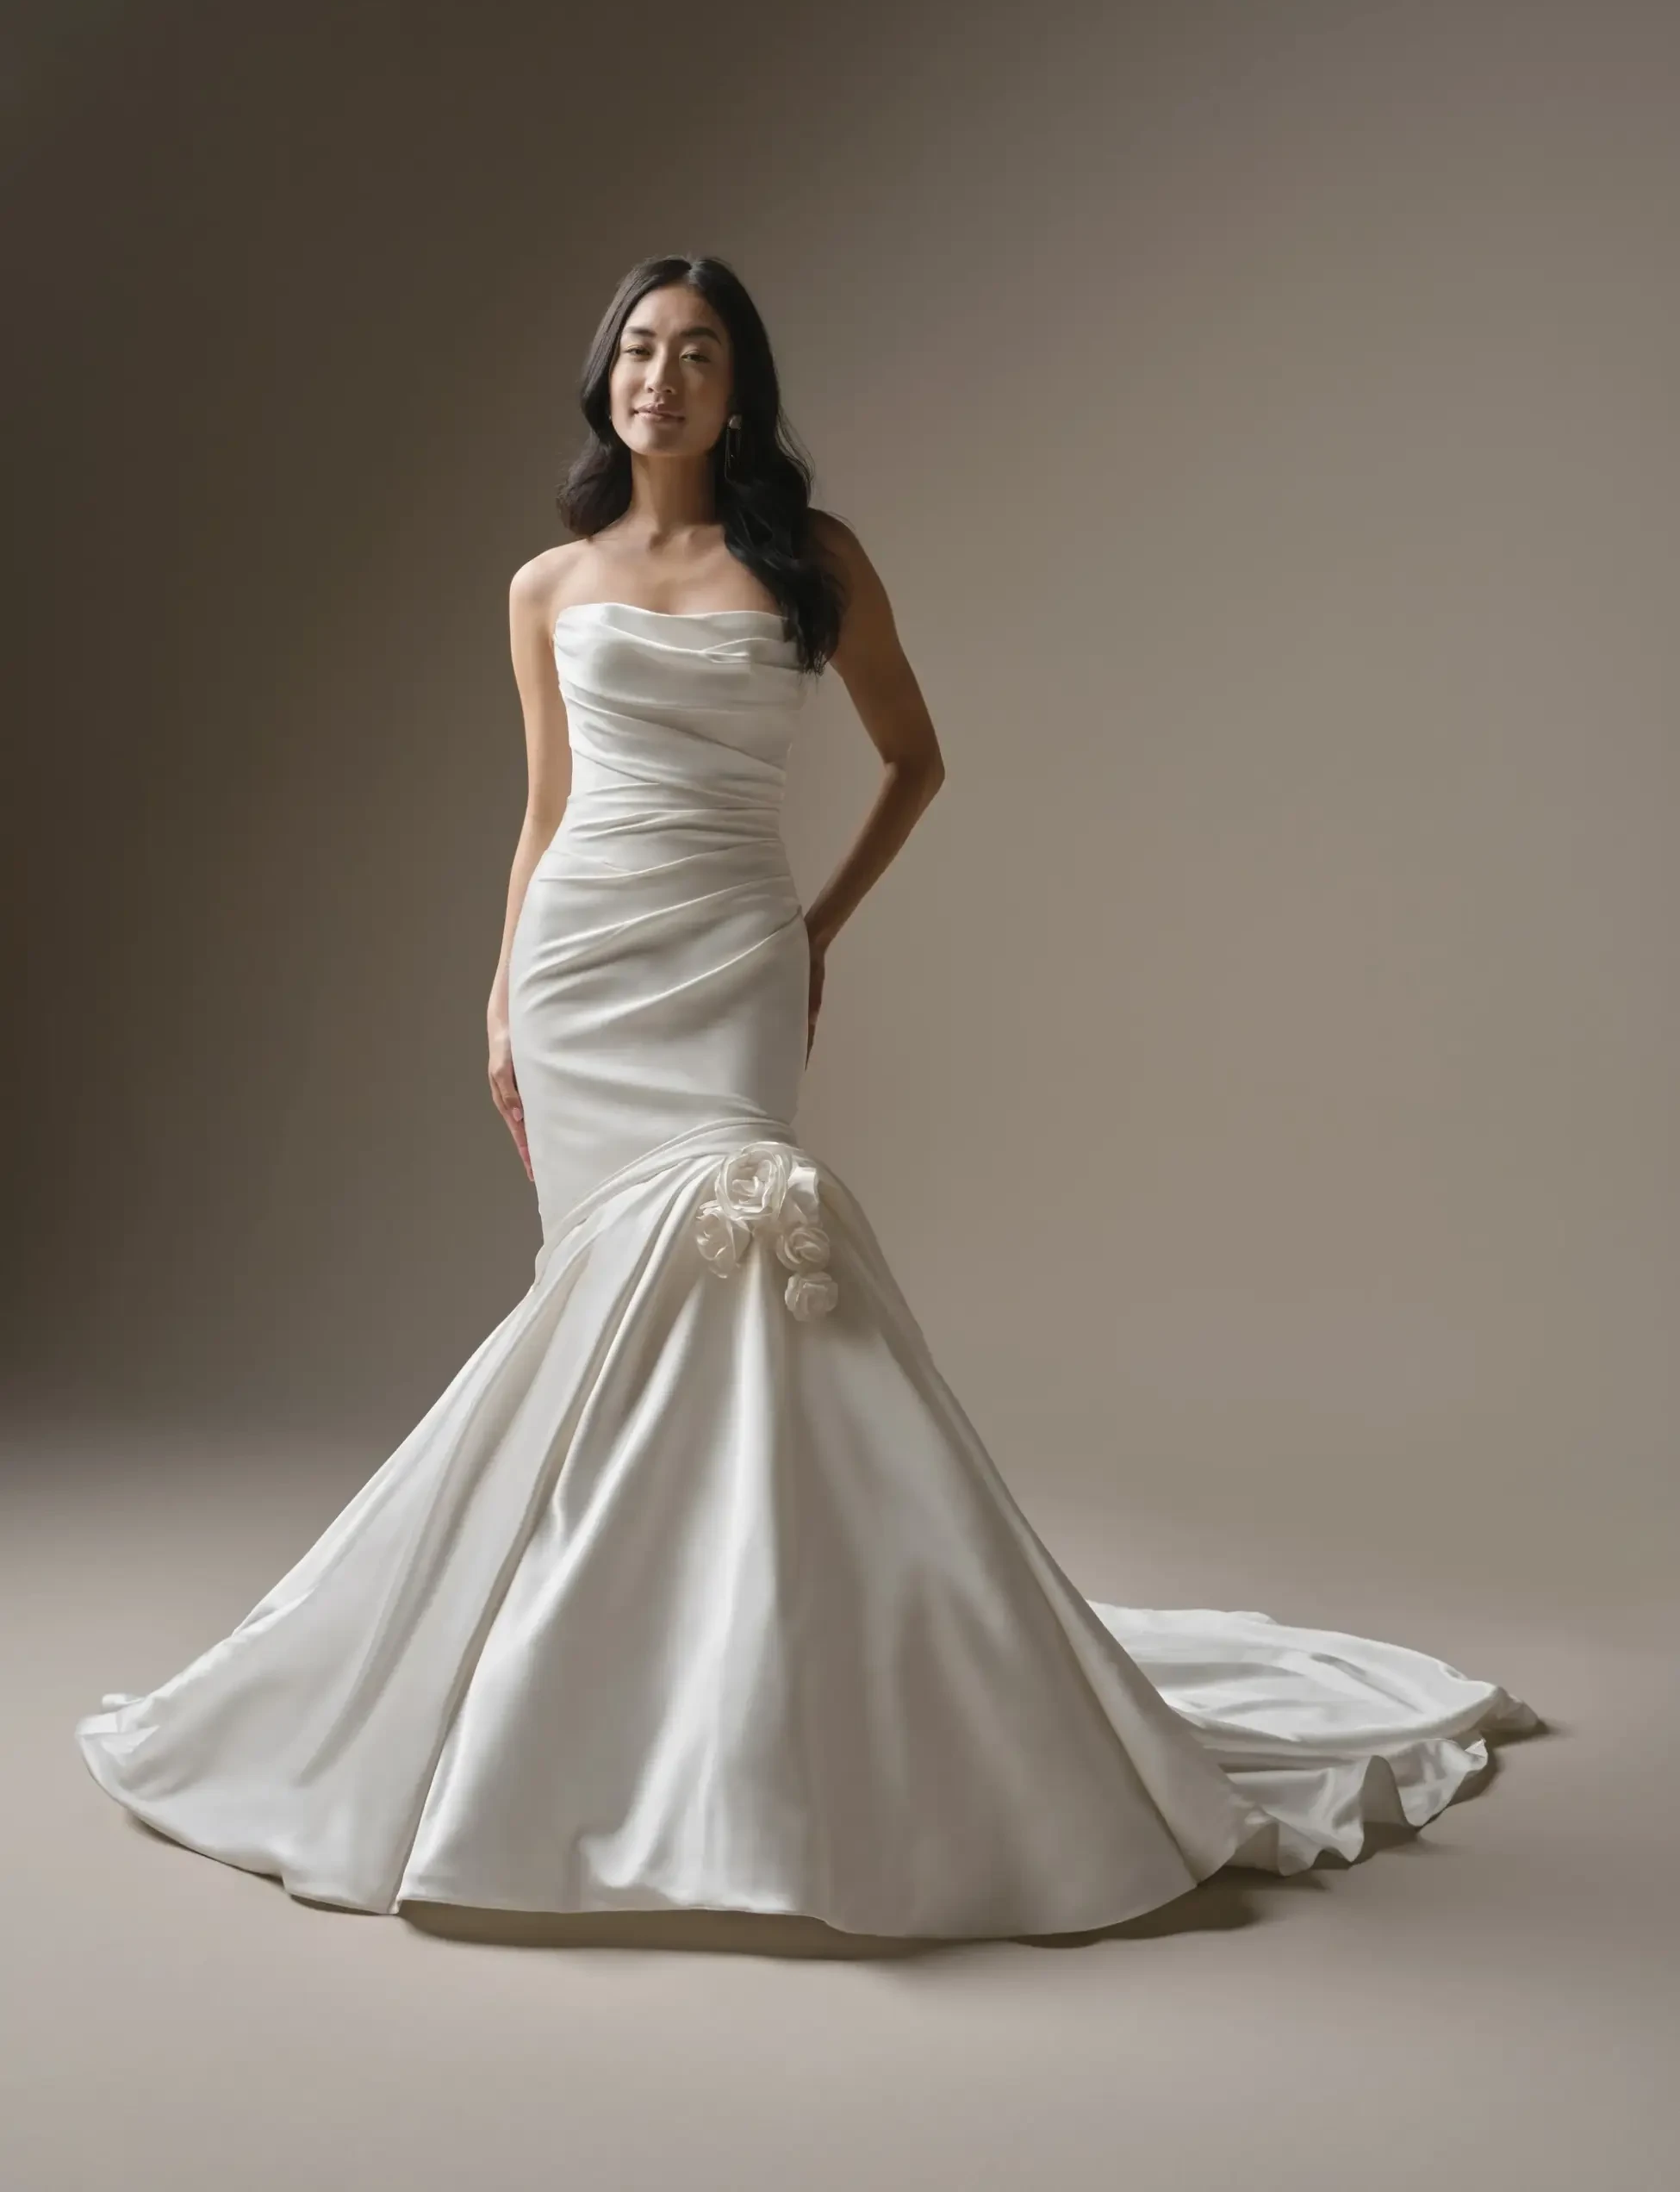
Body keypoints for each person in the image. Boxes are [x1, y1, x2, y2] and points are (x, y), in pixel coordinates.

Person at [74, 254, 1539, 1941]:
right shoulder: (544, 584)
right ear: (605, 378)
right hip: (581, 978)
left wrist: (816, 925)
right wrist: (498, 989)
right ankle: (584, 1718)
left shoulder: (812, 562)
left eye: (697, 353)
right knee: (597, 1329)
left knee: (747, 1280)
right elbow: (543, 812)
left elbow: (920, 756)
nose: (662, 377)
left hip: (729, 960)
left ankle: (771, 1721)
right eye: (638, 348)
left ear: (740, 388)